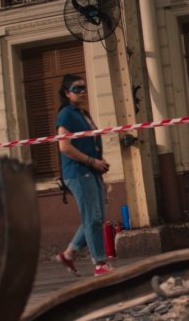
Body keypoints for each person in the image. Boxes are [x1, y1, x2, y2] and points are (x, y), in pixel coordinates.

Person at [53, 74, 113, 276]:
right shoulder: (66, 114)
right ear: (66, 93)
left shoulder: (83, 113)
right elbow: (64, 147)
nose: (82, 92)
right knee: (93, 219)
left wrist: (98, 168)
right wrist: (91, 162)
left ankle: (68, 254)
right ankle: (100, 263)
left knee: (96, 218)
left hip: (91, 171)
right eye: (77, 89)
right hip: (78, 172)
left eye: (84, 88)